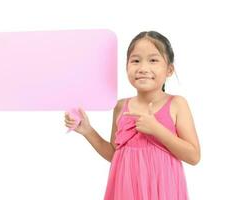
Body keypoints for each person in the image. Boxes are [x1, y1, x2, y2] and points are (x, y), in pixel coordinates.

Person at [64, 31, 201, 199]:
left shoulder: (177, 104)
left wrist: (157, 129)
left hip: (163, 190)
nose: (143, 68)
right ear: (126, 67)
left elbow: (194, 156)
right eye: (135, 61)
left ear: (169, 70)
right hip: (126, 190)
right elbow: (114, 154)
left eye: (153, 60)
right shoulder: (121, 106)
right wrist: (87, 131)